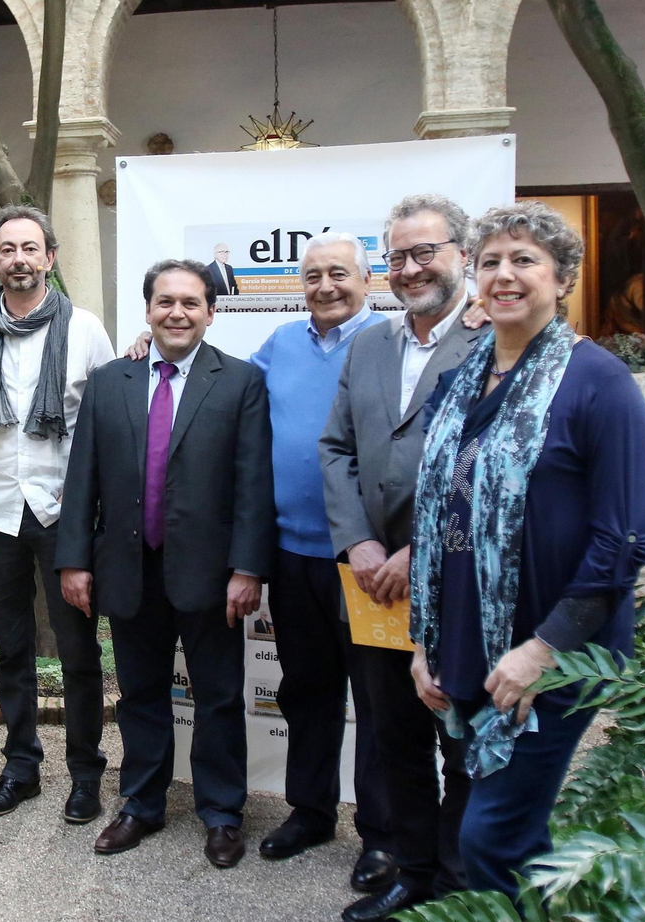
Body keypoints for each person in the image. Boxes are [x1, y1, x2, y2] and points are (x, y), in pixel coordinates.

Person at [409, 201, 645, 904]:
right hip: (465, 642)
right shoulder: (459, 383)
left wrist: (542, 651)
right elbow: (437, 518)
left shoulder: (599, 383)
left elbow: (624, 540)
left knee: (494, 836)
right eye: (490, 262)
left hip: (554, 652)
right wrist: (423, 642)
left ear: (562, 278)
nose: (504, 275)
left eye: (525, 260)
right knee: (506, 830)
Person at [58, 259, 274, 868]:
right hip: (128, 568)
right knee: (140, 694)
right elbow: (83, 477)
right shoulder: (109, 381)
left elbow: (253, 484)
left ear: (211, 312)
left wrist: (248, 569)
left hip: (211, 574)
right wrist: (74, 560)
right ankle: (142, 804)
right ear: (148, 309)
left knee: (219, 697)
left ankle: (222, 813)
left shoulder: (240, 382)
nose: (176, 313)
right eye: (165, 302)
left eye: (190, 303)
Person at [320, 194, 482, 921]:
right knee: (396, 738)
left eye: (426, 252)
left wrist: (420, 552)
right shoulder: (371, 345)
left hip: (460, 579)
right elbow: (337, 448)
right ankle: (412, 874)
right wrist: (358, 542)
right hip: (372, 583)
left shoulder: (496, 341)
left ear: (463, 256)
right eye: (398, 256)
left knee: (464, 741)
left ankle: (457, 883)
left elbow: (499, 467)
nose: (411, 268)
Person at [0, 204, 115, 823]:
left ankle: (86, 774)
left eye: (30, 248)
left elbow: (105, 428)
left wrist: (92, 516)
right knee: (10, 650)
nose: (19, 259)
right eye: (7, 249)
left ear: (50, 257)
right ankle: (21, 767)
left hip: (62, 514)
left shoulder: (85, 329)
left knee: (78, 652)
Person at [246, 234, 394, 878]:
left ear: (368, 280)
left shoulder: (393, 343)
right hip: (291, 552)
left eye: (339, 273)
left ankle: (383, 833)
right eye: (312, 276)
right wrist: (149, 344)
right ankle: (310, 811)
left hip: (368, 559)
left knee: (379, 697)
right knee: (306, 689)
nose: (326, 286)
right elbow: (224, 388)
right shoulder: (281, 343)